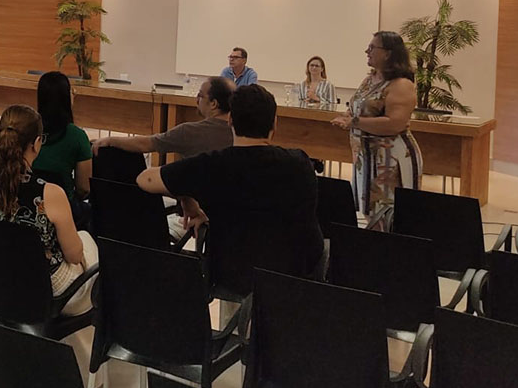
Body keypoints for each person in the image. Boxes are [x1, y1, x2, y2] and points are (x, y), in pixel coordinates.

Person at [137, 84, 323, 296]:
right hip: (293, 280)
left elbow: (146, 179)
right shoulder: (300, 163)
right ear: (274, 123)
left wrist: (185, 194)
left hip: (231, 277)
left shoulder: (210, 165)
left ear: (231, 121)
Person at [0, 104, 98, 380]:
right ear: (37, 144)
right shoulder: (50, 194)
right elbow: (74, 256)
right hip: (42, 289)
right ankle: (86, 370)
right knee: (87, 247)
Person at [331, 31, 421, 230]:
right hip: (366, 157)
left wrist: (354, 121)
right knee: (370, 213)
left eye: (372, 47)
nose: (367, 51)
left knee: (388, 216)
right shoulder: (370, 79)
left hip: (389, 160)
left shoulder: (401, 84)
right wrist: (347, 116)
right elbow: (358, 107)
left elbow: (395, 123)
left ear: (388, 53)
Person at [92, 76, 235, 161]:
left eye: (200, 95)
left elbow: (146, 144)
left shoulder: (189, 132)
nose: (196, 100)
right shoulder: (243, 133)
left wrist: (111, 140)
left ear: (213, 103)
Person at [33, 71, 91, 199]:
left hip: (28, 202)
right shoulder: (77, 136)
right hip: (63, 203)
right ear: (66, 97)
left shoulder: (27, 129)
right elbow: (84, 189)